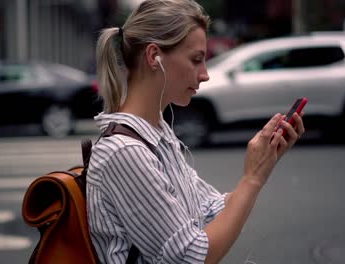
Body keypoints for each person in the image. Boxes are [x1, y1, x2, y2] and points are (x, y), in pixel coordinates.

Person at [87, 0, 305, 263]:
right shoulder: (125, 151)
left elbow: (208, 210)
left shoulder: (157, 134)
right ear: (154, 56)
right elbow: (191, 257)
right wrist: (252, 178)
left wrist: (263, 163)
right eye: (196, 60)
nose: (205, 75)